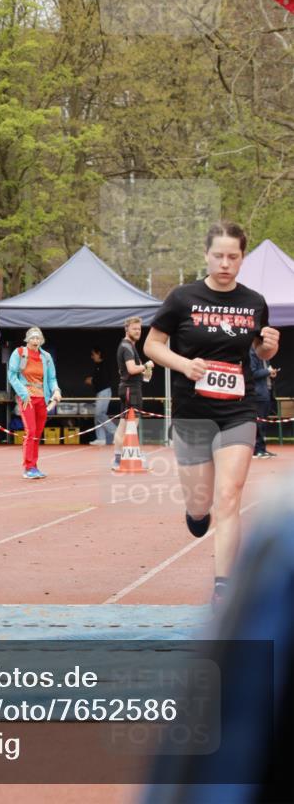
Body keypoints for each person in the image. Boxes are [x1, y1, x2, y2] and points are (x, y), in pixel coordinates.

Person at [144, 221, 279, 609]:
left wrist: (268, 347)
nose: (225, 263)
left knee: (229, 495)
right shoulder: (183, 297)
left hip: (238, 409)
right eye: (218, 256)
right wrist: (185, 365)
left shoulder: (254, 301)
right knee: (201, 503)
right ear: (206, 255)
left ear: (242, 258)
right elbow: (153, 345)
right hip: (192, 412)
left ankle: (224, 584)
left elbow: (259, 352)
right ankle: (195, 513)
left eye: (233, 257)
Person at [7, 327, 61, 480]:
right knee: (30, 431)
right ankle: (28, 467)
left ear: (41, 340)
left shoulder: (46, 357)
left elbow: (51, 378)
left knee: (37, 433)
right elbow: (12, 375)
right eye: (33, 338)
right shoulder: (19, 353)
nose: (35, 341)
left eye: (38, 338)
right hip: (27, 398)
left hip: (42, 398)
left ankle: (34, 465)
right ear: (27, 339)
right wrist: (23, 394)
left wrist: (56, 390)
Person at [112, 316, 153, 470]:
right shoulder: (127, 347)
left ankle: (117, 459)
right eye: (134, 328)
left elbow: (126, 370)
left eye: (139, 329)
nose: (137, 331)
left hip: (127, 388)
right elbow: (131, 369)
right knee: (131, 425)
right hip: (131, 390)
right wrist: (146, 365)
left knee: (124, 424)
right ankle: (130, 457)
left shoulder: (127, 346)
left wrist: (144, 373)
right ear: (126, 329)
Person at [249, 345, 277, 458]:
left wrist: (271, 373)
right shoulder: (252, 352)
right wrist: (267, 371)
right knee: (259, 423)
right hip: (258, 394)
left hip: (267, 392)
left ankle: (262, 449)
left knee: (263, 423)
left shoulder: (265, 355)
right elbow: (253, 373)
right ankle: (257, 450)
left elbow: (266, 371)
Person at [84, 347, 115, 447]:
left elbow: (103, 379)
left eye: (93, 354)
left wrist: (92, 380)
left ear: (99, 354)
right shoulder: (98, 365)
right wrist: (92, 380)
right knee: (98, 415)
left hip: (104, 392)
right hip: (100, 392)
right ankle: (101, 439)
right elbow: (98, 379)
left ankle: (117, 432)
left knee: (99, 414)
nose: (92, 357)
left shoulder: (104, 365)